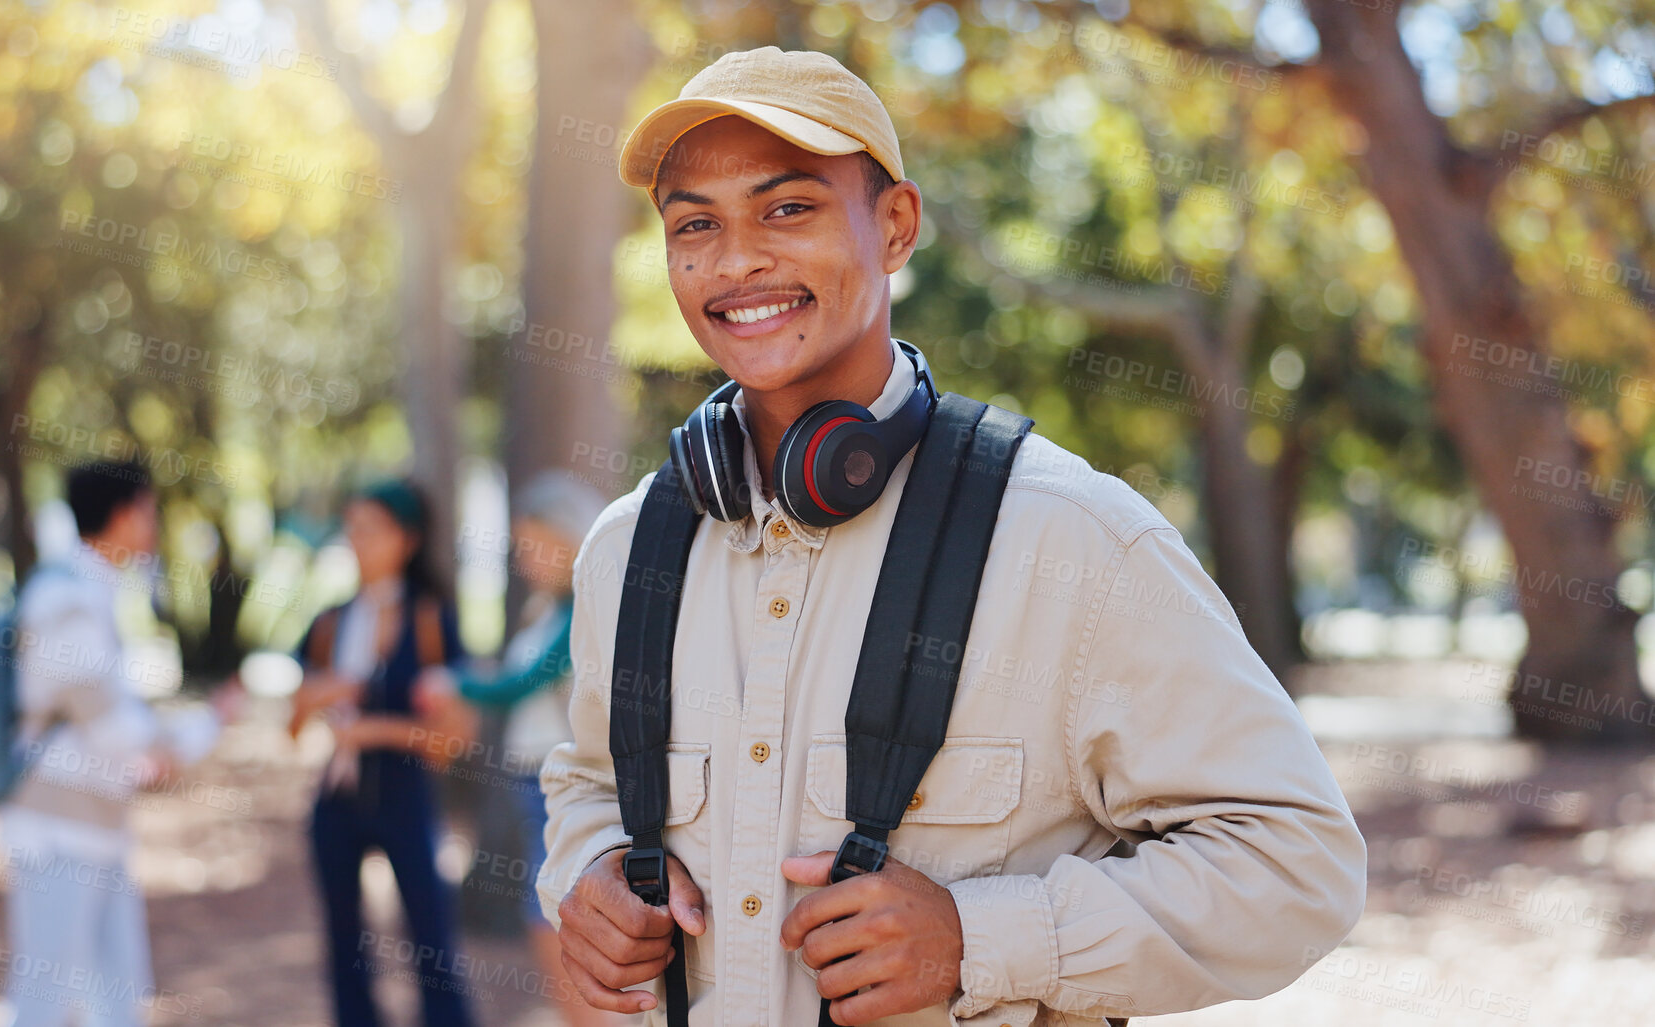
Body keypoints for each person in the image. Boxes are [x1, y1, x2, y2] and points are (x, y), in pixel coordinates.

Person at [537, 47, 1366, 1027]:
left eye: (788, 208)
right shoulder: (626, 550)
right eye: (695, 225)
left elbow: (1297, 862)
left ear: (895, 227)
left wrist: (981, 940)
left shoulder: (1077, 539)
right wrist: (589, 871)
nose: (734, 260)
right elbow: (589, 781)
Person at [0, 459, 244, 1027]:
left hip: (95, 825)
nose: (153, 525)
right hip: (59, 826)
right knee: (48, 996)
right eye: (147, 511)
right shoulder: (67, 600)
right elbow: (114, 727)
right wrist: (203, 728)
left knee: (116, 991)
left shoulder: (91, 590)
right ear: (120, 515)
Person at [425, 472, 624, 1027]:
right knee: (548, 916)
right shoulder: (548, 608)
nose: (528, 557)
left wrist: (455, 684)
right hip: (528, 784)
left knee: (556, 919)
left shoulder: (582, 604)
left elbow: (526, 681)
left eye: (537, 542)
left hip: (557, 785)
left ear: (569, 537)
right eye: (522, 546)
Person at [290, 479, 478, 1027]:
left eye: (370, 528)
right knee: (343, 943)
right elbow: (294, 723)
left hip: (405, 795)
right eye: (351, 526)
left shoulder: (431, 620)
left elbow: (452, 738)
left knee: (430, 938)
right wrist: (323, 693)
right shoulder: (330, 620)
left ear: (408, 539)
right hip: (335, 799)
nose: (356, 539)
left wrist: (373, 730)